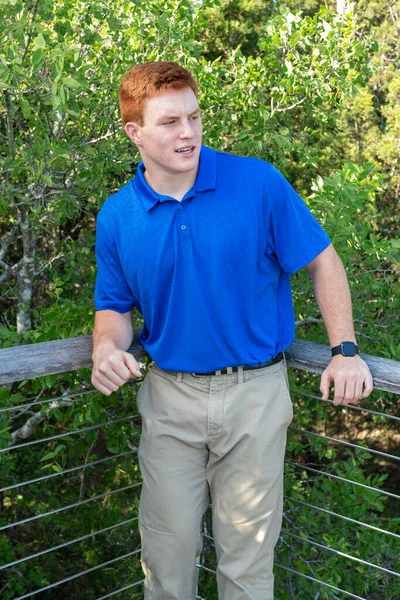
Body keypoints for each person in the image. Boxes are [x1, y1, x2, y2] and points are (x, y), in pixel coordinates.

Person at [91, 61, 373, 600]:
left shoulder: (256, 183)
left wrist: (346, 350)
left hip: (256, 399)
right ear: (134, 132)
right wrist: (106, 346)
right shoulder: (117, 216)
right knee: (165, 559)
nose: (188, 133)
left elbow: (323, 261)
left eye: (194, 118)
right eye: (171, 122)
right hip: (169, 401)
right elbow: (113, 306)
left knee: (247, 568)